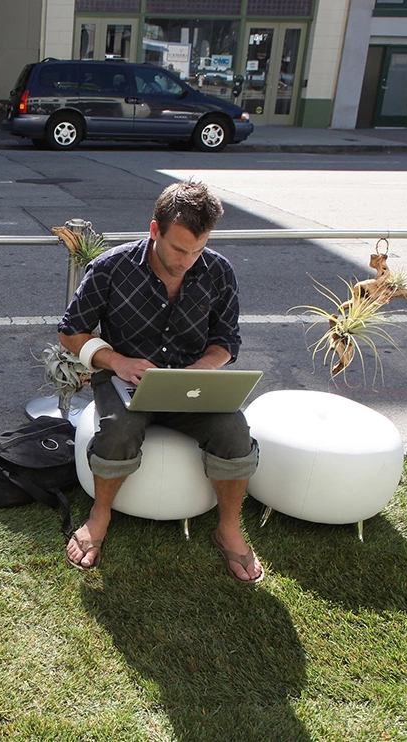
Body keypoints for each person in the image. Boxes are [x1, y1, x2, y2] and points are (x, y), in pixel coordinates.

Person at [57, 180, 263, 583]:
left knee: (235, 430)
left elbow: (227, 342)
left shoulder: (219, 271)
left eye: (199, 249)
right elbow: (70, 331)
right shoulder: (112, 267)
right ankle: (100, 516)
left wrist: (205, 367)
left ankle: (228, 529)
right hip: (123, 378)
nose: (188, 261)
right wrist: (116, 360)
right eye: (179, 249)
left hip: (192, 383)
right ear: (155, 231)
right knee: (119, 429)